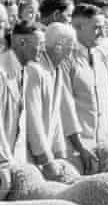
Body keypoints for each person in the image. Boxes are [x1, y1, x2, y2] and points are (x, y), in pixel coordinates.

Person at [62, 3, 108, 167]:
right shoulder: (66, 58)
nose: (102, 32)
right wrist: (79, 145)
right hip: (77, 147)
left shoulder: (103, 55)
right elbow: (65, 105)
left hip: (105, 145)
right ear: (77, 27)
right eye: (96, 28)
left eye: (103, 27)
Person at [24, 22, 80, 166]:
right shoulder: (35, 70)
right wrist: (44, 156)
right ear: (58, 47)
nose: (73, 51)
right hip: (30, 156)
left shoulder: (58, 69)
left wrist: (60, 154)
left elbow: (55, 117)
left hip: (47, 155)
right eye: (71, 46)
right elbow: (33, 117)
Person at [0, 21, 41, 163]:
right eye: (39, 44)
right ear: (22, 42)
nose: (41, 49)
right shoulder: (2, 71)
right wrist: (4, 162)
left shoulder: (26, 71)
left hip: (14, 162)